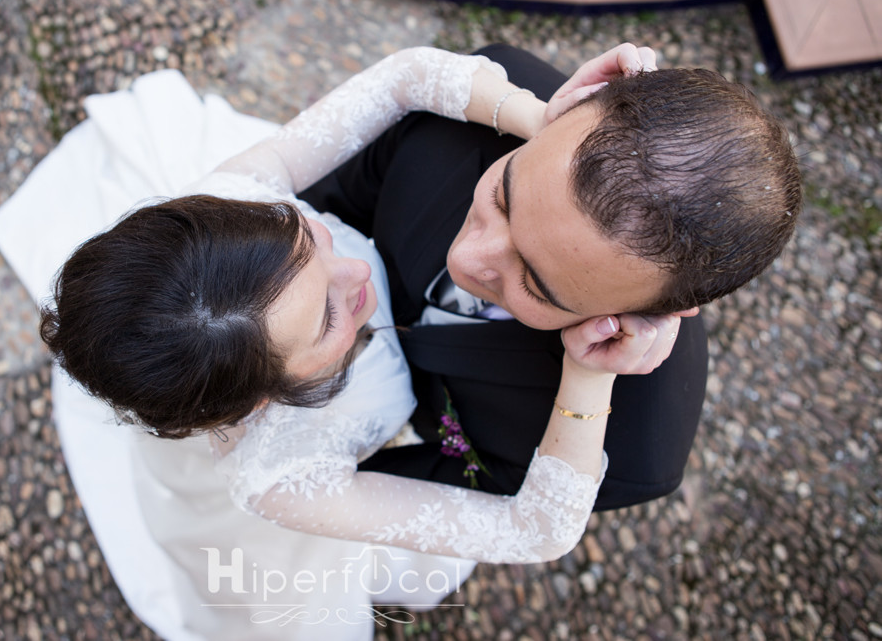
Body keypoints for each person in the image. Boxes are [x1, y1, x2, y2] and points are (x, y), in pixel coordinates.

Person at [0, 44, 687, 640]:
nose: (358, 271)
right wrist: (590, 372)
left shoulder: (236, 191)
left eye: (307, 237)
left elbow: (403, 77)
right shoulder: (281, 481)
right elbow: (537, 528)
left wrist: (546, 128)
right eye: (326, 316)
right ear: (261, 402)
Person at [299, 43, 801, 508]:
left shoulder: (628, 456)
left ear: (655, 311)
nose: (467, 261)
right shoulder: (474, 93)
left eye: (537, 285)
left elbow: (398, 500)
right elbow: (327, 202)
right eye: (503, 196)